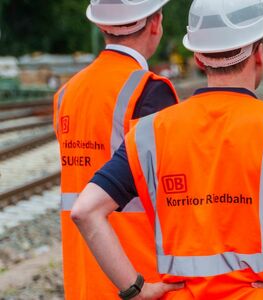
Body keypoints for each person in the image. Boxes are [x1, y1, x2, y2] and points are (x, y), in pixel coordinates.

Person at [70, 0, 263, 299]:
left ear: (198, 57)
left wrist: (136, 290)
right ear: (259, 52)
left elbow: (86, 210)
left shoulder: (148, 133)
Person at [54, 0, 177, 299]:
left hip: (83, 278)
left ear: (100, 25)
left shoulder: (66, 93)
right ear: (156, 23)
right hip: (140, 279)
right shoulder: (149, 92)